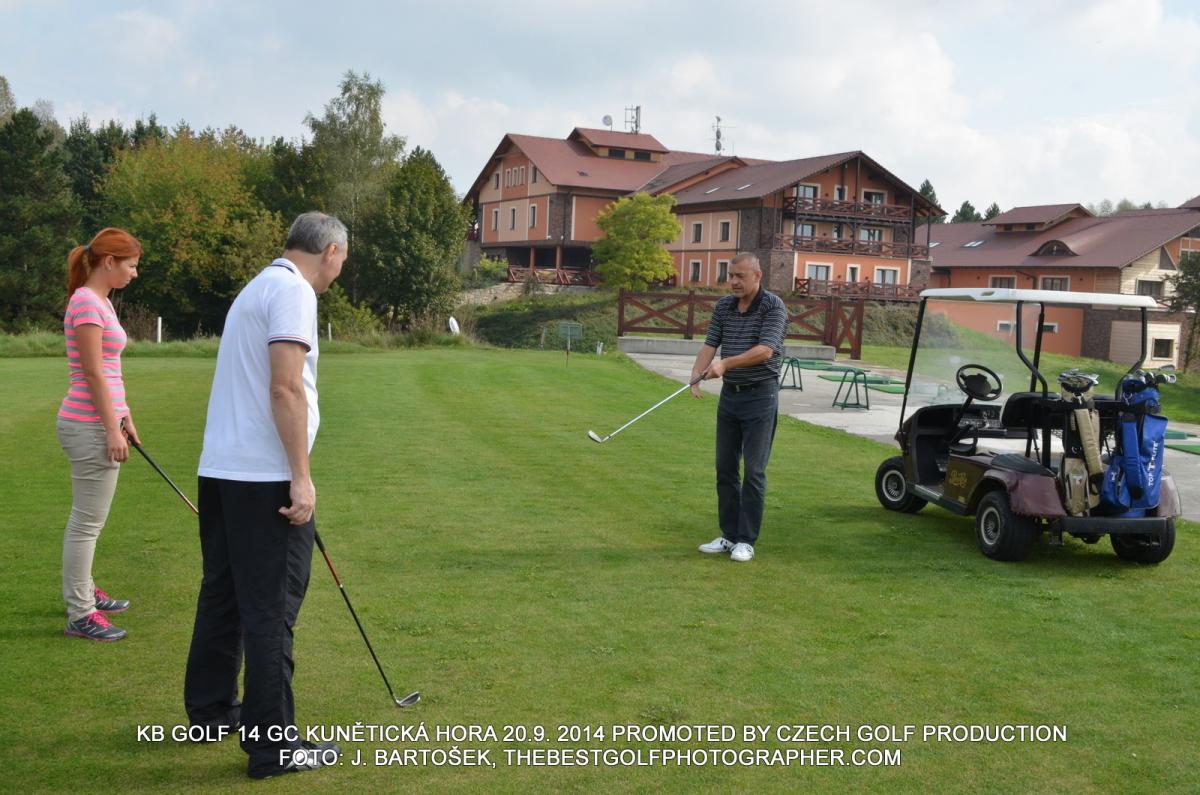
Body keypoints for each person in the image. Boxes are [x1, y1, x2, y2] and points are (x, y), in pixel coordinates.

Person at [184, 212, 347, 779]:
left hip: (222, 471)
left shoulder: (258, 284)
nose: (339, 272)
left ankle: (210, 713)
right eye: (342, 262)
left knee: (225, 595)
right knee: (271, 608)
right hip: (263, 477)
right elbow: (285, 386)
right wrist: (300, 476)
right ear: (330, 251)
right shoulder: (294, 292)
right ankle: (274, 747)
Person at [58, 228, 143, 641]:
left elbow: (110, 370)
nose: (134, 273)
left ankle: (86, 590)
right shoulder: (86, 303)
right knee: (86, 523)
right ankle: (81, 612)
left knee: (89, 520)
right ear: (109, 262)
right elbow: (92, 373)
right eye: (131, 265)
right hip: (88, 425)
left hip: (100, 421)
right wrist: (112, 429)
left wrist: (126, 417)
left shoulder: (101, 302)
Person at [689, 253, 788, 562]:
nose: (733, 281)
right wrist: (696, 375)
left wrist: (726, 364)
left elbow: (765, 350)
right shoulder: (724, 306)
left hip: (761, 397)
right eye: (730, 275)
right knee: (725, 467)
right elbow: (711, 343)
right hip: (730, 397)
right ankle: (729, 535)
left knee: (754, 471)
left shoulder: (773, 306)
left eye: (740, 276)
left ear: (757, 276)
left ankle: (746, 540)